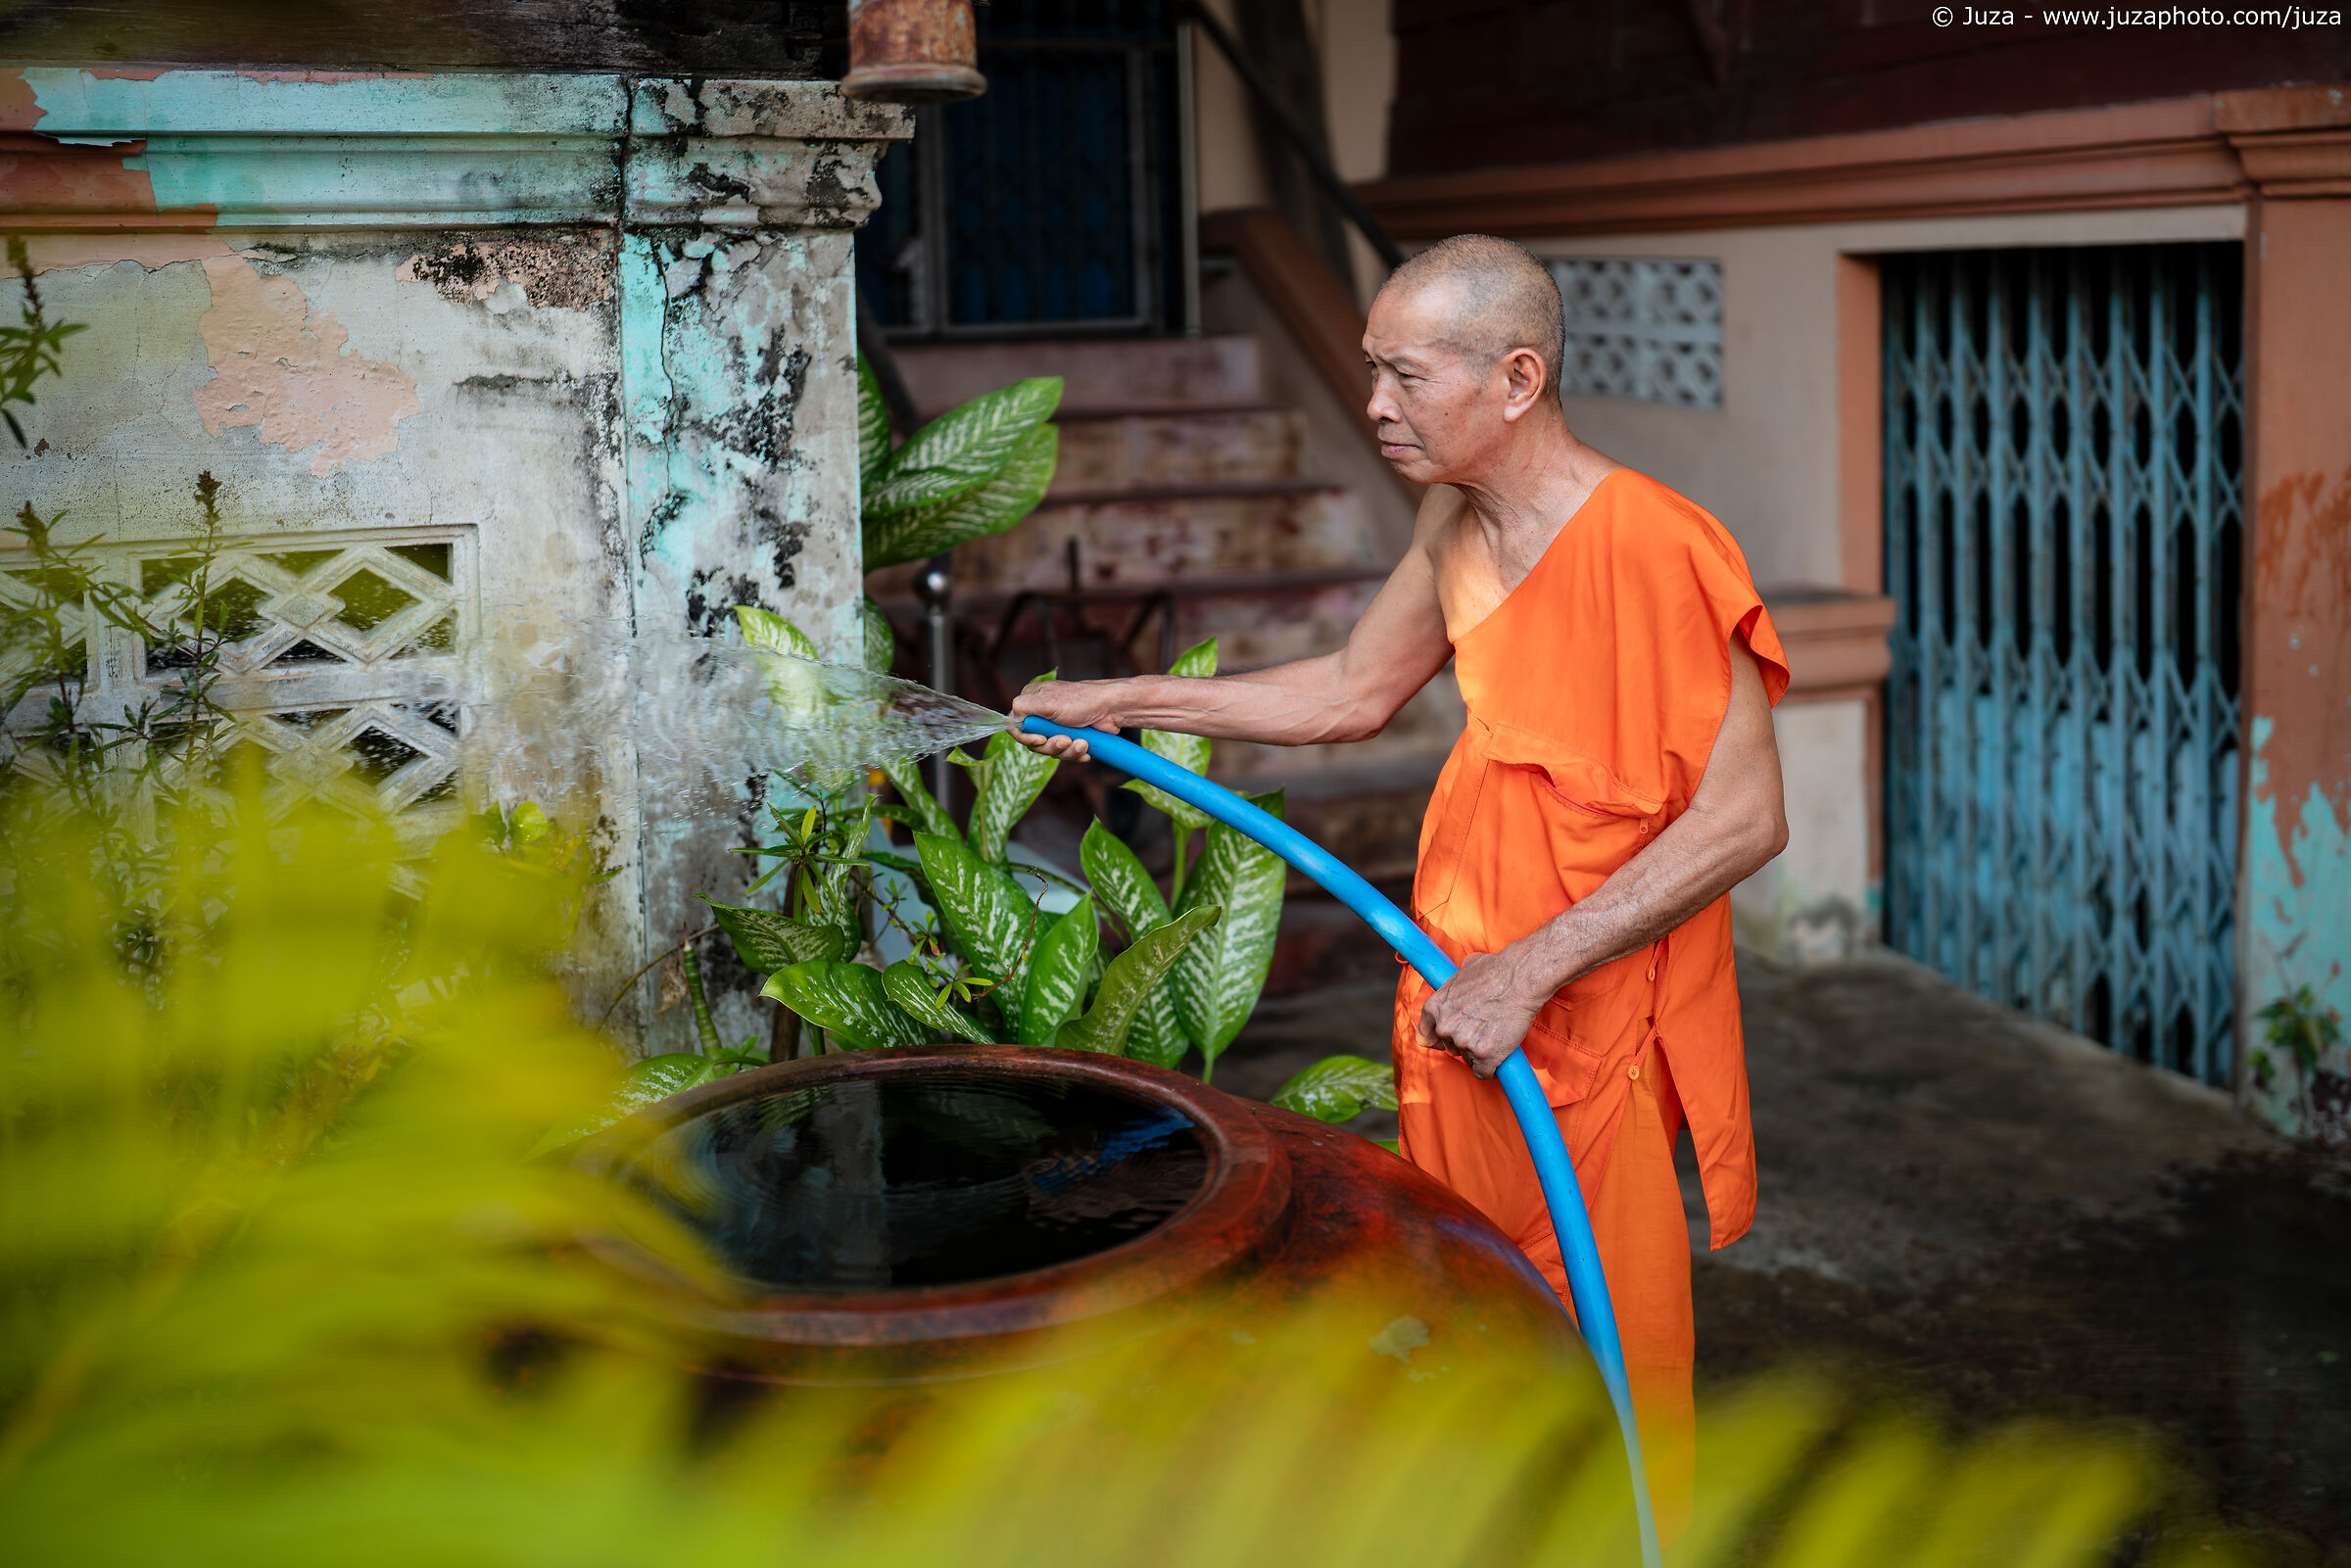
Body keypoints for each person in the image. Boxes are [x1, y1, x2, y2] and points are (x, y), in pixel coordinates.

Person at [1010, 234, 1789, 1530]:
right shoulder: (1456, 519)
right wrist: (1123, 699)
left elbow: (1746, 815)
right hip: (1454, 1000)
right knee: (1468, 1316)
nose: (1373, 403)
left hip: (1580, 1028)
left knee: (1606, 1344)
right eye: (1370, 371)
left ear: (1518, 379)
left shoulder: (1655, 543)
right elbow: (1353, 689)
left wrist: (1530, 970)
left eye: (1403, 377)